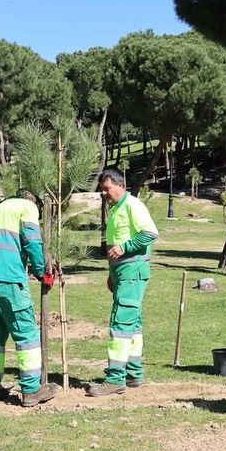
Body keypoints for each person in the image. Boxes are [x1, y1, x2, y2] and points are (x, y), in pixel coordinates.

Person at [0, 190, 59, 408]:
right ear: (32, 201)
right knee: (27, 333)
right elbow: (33, 242)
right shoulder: (27, 207)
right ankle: (32, 390)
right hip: (9, 277)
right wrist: (42, 272)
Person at [87, 168, 158, 397]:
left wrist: (124, 248)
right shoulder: (117, 209)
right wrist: (111, 272)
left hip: (133, 272)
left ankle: (115, 379)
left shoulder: (132, 205)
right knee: (133, 325)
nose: (104, 193)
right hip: (122, 273)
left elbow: (150, 234)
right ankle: (134, 374)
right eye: (102, 190)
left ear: (120, 184)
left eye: (107, 189)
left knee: (120, 323)